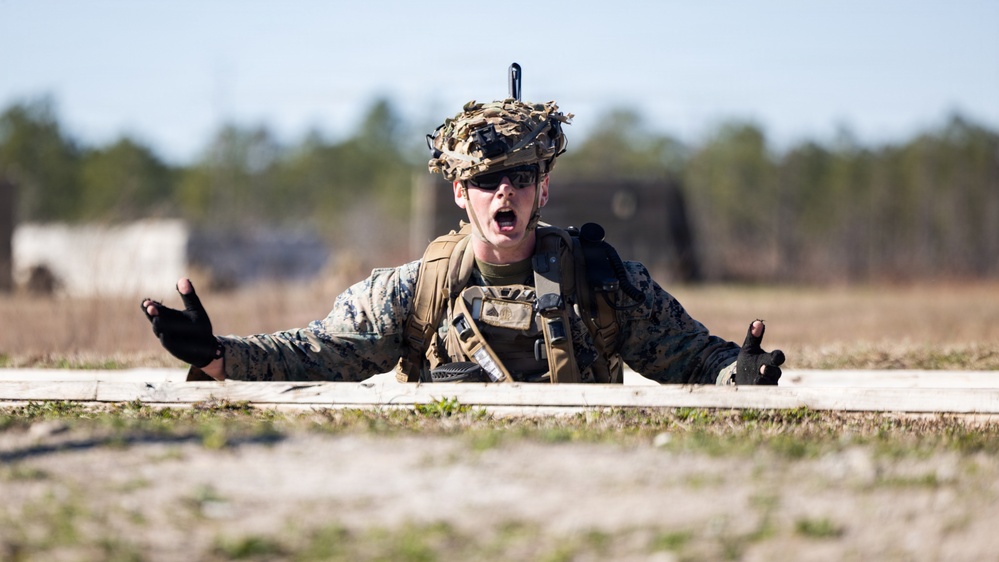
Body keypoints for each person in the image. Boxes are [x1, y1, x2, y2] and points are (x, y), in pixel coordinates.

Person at [142, 94, 784, 386]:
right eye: (486, 181)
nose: (505, 193)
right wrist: (220, 355)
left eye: (521, 178)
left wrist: (740, 372)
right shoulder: (413, 289)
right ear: (459, 192)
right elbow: (323, 351)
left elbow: (690, 357)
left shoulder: (605, 281)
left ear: (543, 189)